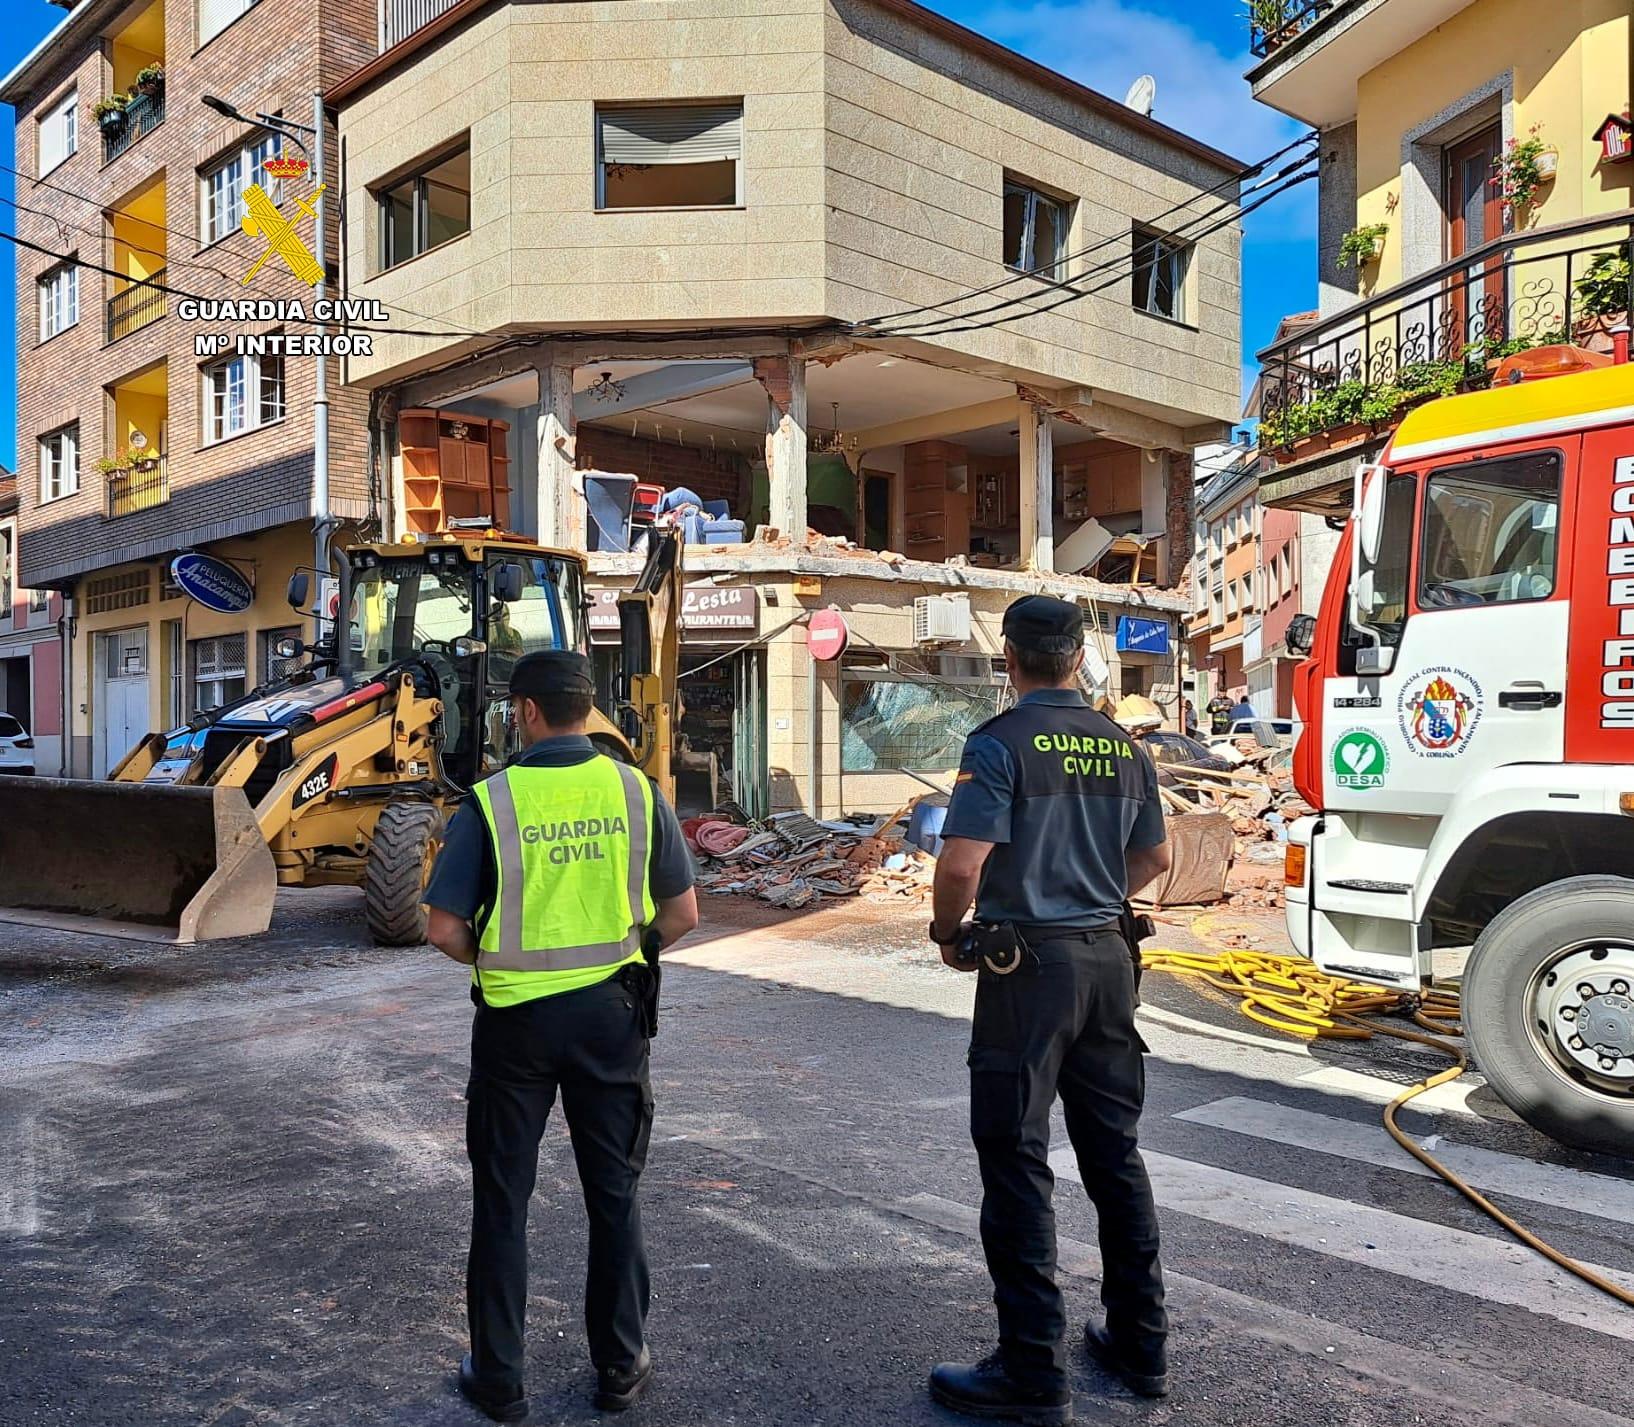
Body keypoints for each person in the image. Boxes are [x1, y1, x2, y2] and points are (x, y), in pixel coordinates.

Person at [425, 650, 699, 1422]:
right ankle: (619, 1364)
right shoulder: (635, 791)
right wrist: (621, 953)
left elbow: (443, 926)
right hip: (611, 1020)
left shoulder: (491, 801)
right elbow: (681, 916)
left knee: (503, 1199)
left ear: (528, 712)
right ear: (587, 710)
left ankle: (500, 1378)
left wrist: (499, 957)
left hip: (515, 1027)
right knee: (614, 1194)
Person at [926, 595, 1174, 1425]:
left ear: (1011, 658)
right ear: (1078, 657)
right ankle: (1141, 1344)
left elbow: (962, 863)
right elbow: (1156, 858)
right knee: (1115, 1157)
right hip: (1110, 961)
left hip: (1028, 970)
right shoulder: (1124, 747)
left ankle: (1032, 1369)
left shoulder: (998, 744)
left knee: (1015, 1153)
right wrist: (1098, 895)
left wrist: (946, 930)